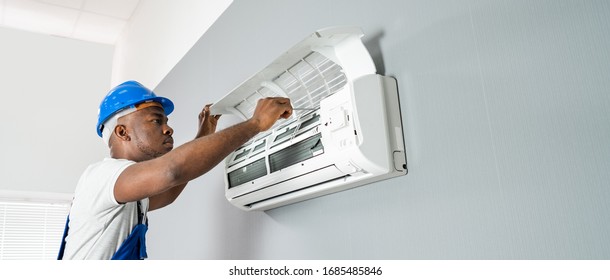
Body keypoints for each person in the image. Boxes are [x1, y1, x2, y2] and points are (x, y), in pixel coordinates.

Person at [58, 80, 292, 260]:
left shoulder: (129, 192)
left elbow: (168, 190)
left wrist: (204, 135)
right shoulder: (103, 175)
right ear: (122, 132)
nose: (168, 128)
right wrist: (256, 124)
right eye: (156, 120)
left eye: (166, 121)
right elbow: (172, 171)